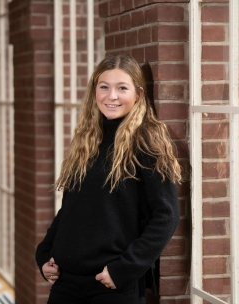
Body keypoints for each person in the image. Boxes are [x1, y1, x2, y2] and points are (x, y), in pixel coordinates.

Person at [35, 53, 181, 304]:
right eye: (104, 87)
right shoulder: (89, 138)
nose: (111, 96)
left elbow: (167, 215)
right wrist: (45, 253)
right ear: (94, 92)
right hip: (66, 282)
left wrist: (124, 269)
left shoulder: (147, 140)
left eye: (121, 88)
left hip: (111, 285)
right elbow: (72, 208)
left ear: (138, 93)